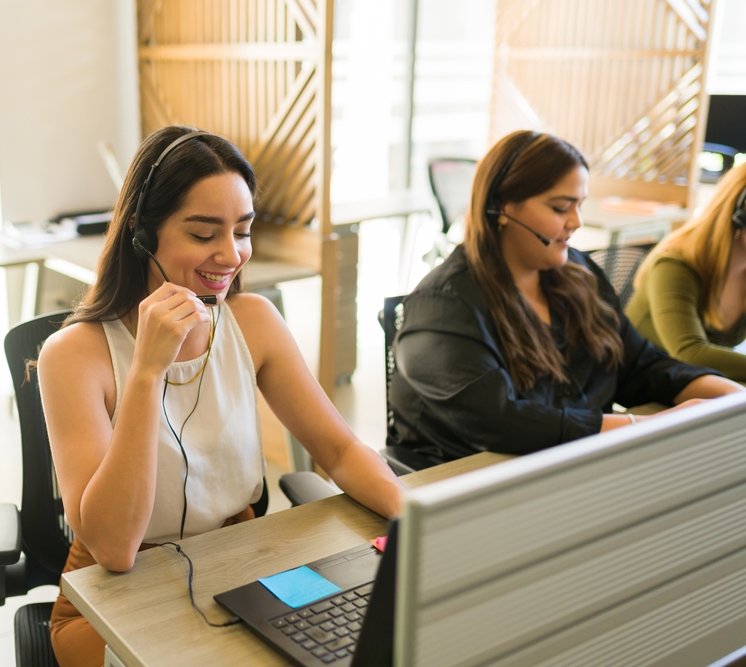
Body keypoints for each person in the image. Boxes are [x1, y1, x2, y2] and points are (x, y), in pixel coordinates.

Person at [37, 126, 406, 667]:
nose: (231, 255)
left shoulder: (253, 322)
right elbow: (113, 550)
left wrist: (418, 524)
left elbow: (341, 451)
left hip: (239, 560)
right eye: (204, 233)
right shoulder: (73, 355)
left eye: (243, 230)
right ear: (143, 233)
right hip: (114, 593)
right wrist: (146, 374)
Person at [387, 130, 743, 468]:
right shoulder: (444, 305)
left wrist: (730, 397)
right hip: (473, 481)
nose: (576, 221)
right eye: (560, 208)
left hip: (572, 466)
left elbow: (638, 365)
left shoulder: (577, 274)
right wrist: (641, 426)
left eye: (579, 205)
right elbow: (503, 421)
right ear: (503, 207)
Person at [626, 164, 746, 380]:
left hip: (699, 385)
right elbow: (692, 354)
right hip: (647, 388)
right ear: (739, 214)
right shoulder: (675, 265)